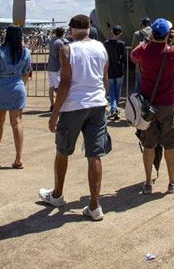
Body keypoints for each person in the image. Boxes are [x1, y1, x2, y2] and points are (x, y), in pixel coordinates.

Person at [39, 14, 109, 221]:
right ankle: (95, 206)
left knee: (63, 151)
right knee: (94, 155)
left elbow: (66, 83)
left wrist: (54, 113)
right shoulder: (101, 48)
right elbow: (105, 78)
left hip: (73, 106)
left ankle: (57, 194)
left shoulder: (67, 49)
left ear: (71, 30)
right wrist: (103, 100)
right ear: (88, 28)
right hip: (97, 105)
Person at [130, 18, 174, 194]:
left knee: (149, 145)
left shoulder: (143, 50)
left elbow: (133, 56)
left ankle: (147, 183)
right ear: (168, 34)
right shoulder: (173, 51)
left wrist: (147, 40)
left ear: (152, 34)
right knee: (170, 145)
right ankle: (172, 182)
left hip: (147, 106)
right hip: (168, 104)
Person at [0, 26, 32, 168]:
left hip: (1, 88)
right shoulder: (26, 51)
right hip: (18, 86)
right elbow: (27, 72)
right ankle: (18, 158)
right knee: (17, 122)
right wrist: (21, 85)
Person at [104, 26, 127, 121]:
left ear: (111, 32)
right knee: (118, 91)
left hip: (109, 70)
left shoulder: (106, 43)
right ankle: (115, 109)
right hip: (119, 70)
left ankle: (114, 109)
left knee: (112, 92)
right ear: (120, 33)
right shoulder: (122, 44)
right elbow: (124, 58)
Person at [131, 17, 153, 92]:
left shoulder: (137, 34)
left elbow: (133, 49)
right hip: (153, 64)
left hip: (140, 65)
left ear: (142, 25)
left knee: (139, 87)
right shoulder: (155, 33)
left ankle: (138, 103)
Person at [47, 27, 66, 113]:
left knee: (51, 86)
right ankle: (59, 106)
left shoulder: (51, 41)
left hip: (50, 66)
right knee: (58, 88)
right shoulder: (60, 43)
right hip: (57, 67)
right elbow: (61, 55)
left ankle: (52, 104)